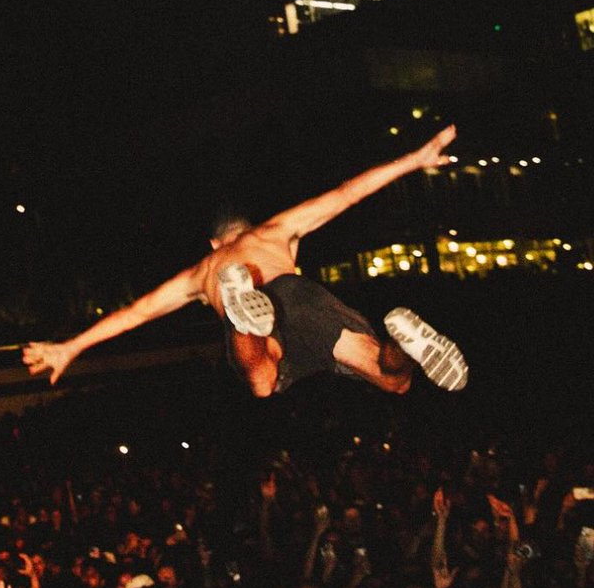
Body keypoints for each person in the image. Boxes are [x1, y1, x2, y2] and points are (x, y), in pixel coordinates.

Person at [24, 126, 468, 397]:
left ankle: (243, 318)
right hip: (303, 300)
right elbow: (344, 194)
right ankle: (402, 345)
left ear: (215, 242)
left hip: (264, 320)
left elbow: (135, 313)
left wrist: (71, 346)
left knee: (262, 380)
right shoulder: (275, 232)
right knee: (395, 380)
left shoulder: (202, 271)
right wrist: (414, 160)